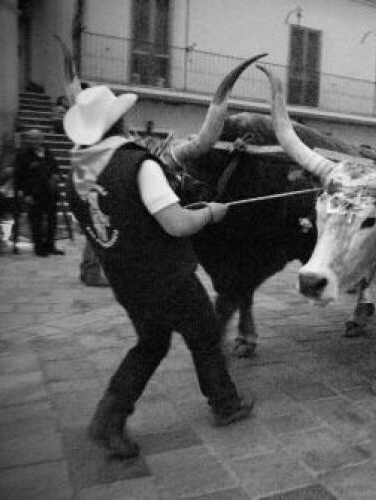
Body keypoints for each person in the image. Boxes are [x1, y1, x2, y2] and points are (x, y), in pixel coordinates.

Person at [64, 85, 253, 458]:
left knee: (151, 344)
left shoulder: (76, 171)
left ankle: (109, 417)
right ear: (120, 121)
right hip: (168, 278)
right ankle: (225, 404)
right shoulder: (140, 165)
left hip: (125, 281)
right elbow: (177, 224)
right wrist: (210, 213)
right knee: (205, 335)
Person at [13, 129, 63, 256]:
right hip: (34, 193)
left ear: (42, 139)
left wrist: (57, 176)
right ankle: (39, 248)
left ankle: (50, 246)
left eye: (36, 138)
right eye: (31, 138)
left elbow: (56, 169)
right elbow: (19, 176)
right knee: (36, 221)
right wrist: (25, 194)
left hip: (50, 192)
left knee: (52, 221)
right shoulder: (23, 155)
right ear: (27, 140)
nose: (34, 141)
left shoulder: (48, 152)